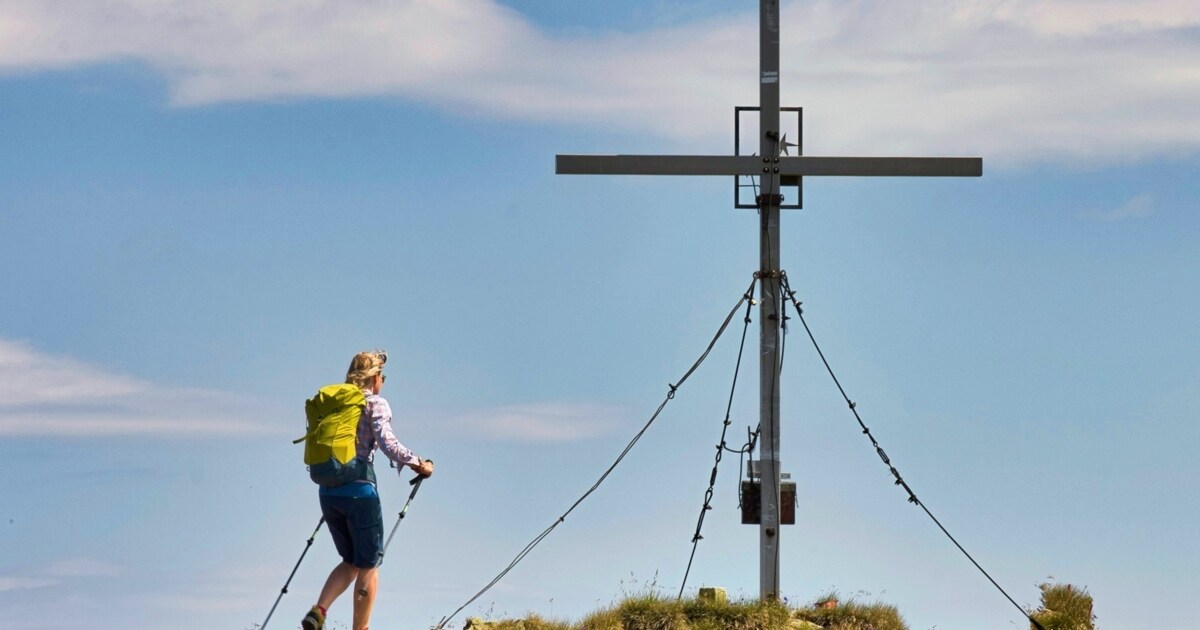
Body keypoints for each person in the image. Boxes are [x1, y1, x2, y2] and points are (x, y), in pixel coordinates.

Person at [302, 350, 435, 630]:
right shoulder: (375, 403)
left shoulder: (338, 405)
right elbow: (388, 443)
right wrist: (417, 463)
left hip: (328, 492)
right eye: (382, 377)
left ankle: (319, 610)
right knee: (370, 564)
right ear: (375, 377)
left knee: (349, 561)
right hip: (360, 491)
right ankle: (360, 628)